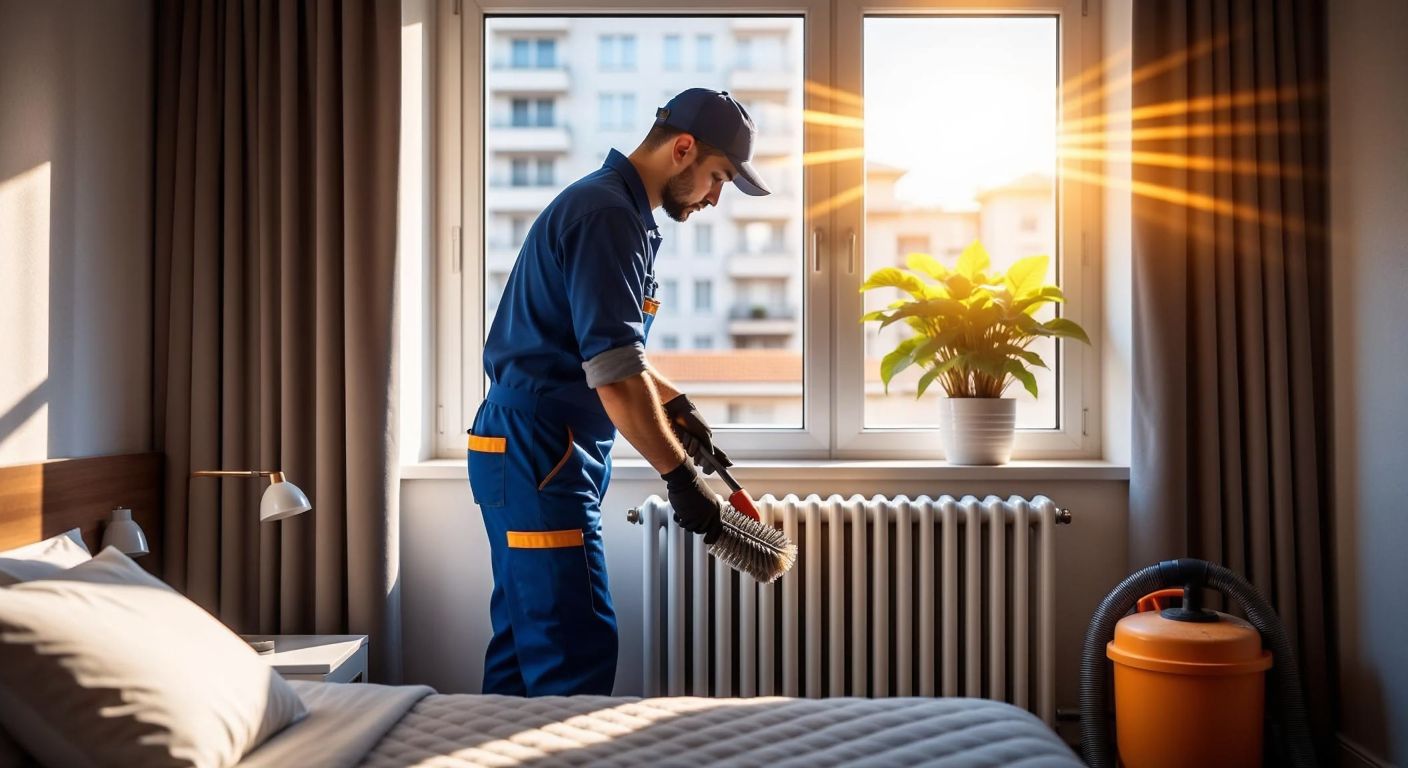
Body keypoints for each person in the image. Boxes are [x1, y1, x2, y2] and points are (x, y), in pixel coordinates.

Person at [466, 88, 770, 696]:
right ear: (683, 149)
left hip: (535, 448)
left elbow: (607, 353)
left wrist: (674, 403)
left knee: (529, 639)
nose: (715, 197)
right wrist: (683, 480)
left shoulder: (619, 212)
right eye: (718, 178)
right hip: (539, 449)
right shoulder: (606, 215)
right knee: (574, 644)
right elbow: (612, 374)